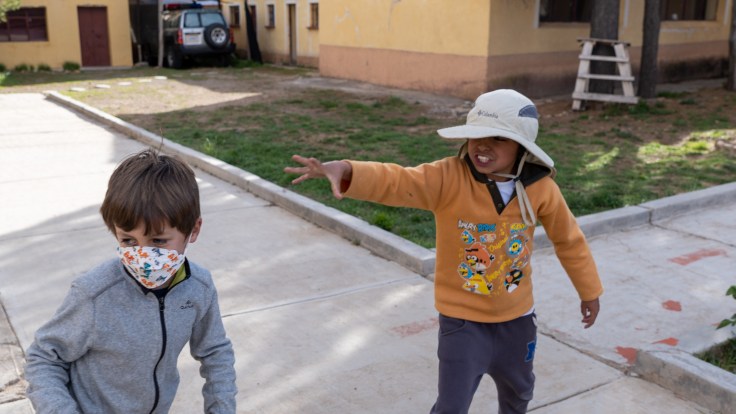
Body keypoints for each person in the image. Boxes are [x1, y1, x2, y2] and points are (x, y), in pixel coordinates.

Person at [284, 89, 603, 414]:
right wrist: (348, 170)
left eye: (498, 138)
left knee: (519, 394)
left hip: (517, 321)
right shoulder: (448, 177)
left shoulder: (541, 188)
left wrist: (589, 290)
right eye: (477, 135)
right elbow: (398, 181)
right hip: (462, 324)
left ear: (522, 147)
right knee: (451, 405)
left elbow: (568, 239)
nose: (483, 145)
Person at [25, 149, 237, 414]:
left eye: (158, 241)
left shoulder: (199, 288)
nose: (143, 255)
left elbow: (215, 352)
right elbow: (44, 358)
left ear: (193, 230)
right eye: (128, 240)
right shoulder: (94, 293)